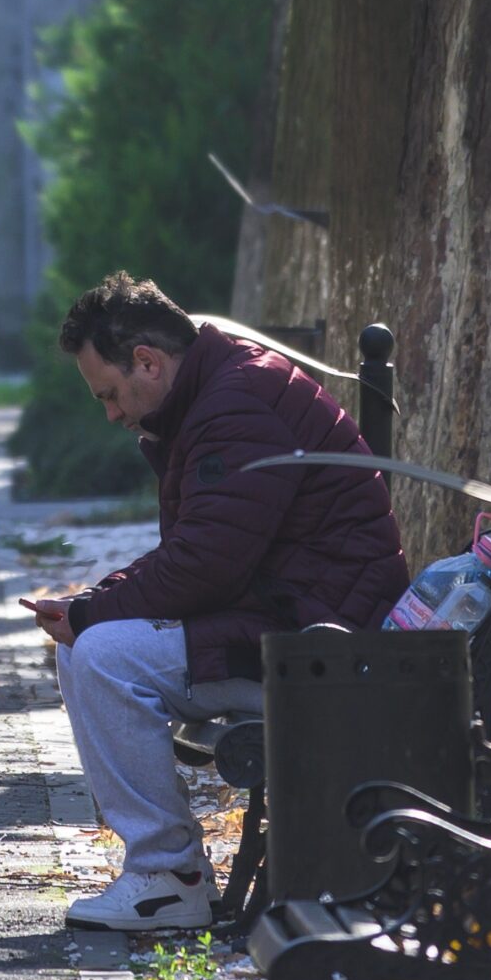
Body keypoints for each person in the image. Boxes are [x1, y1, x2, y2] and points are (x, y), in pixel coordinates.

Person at [27, 273, 409, 933]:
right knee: (89, 647)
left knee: (102, 656)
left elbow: (204, 565)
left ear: (148, 360)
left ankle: (167, 877)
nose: (112, 414)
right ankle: (164, 871)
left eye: (112, 394)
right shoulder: (220, 392)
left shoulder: (235, 406)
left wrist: (93, 610)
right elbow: (206, 556)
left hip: (325, 648)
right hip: (297, 622)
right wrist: (95, 602)